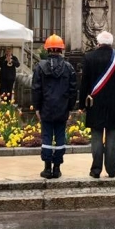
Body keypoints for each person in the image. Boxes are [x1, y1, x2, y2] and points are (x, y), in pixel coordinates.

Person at [78, 31, 115, 178]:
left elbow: (85, 83)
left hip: (95, 103)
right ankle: (112, 170)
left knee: (96, 136)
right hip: (114, 104)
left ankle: (96, 170)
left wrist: (82, 104)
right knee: (112, 137)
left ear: (98, 43)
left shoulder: (89, 57)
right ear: (111, 43)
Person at [32, 35, 77, 179]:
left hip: (46, 107)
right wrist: (70, 108)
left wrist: (37, 107)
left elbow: (36, 89)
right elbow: (73, 90)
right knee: (59, 137)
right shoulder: (68, 68)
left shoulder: (40, 67)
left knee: (46, 136)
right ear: (61, 49)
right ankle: (57, 168)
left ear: (48, 49)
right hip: (62, 108)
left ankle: (47, 168)